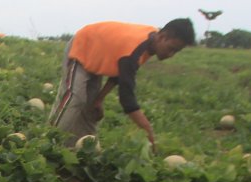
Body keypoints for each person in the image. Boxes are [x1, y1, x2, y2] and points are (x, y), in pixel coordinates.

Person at [48, 19, 196, 149]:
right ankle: (49, 141)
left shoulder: (150, 41)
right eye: (171, 49)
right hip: (83, 45)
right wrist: (148, 130)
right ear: (162, 36)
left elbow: (120, 75)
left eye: (176, 52)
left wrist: (99, 99)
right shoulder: (134, 50)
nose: (171, 55)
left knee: (90, 107)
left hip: (97, 56)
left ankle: (80, 149)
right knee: (76, 97)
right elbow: (127, 100)